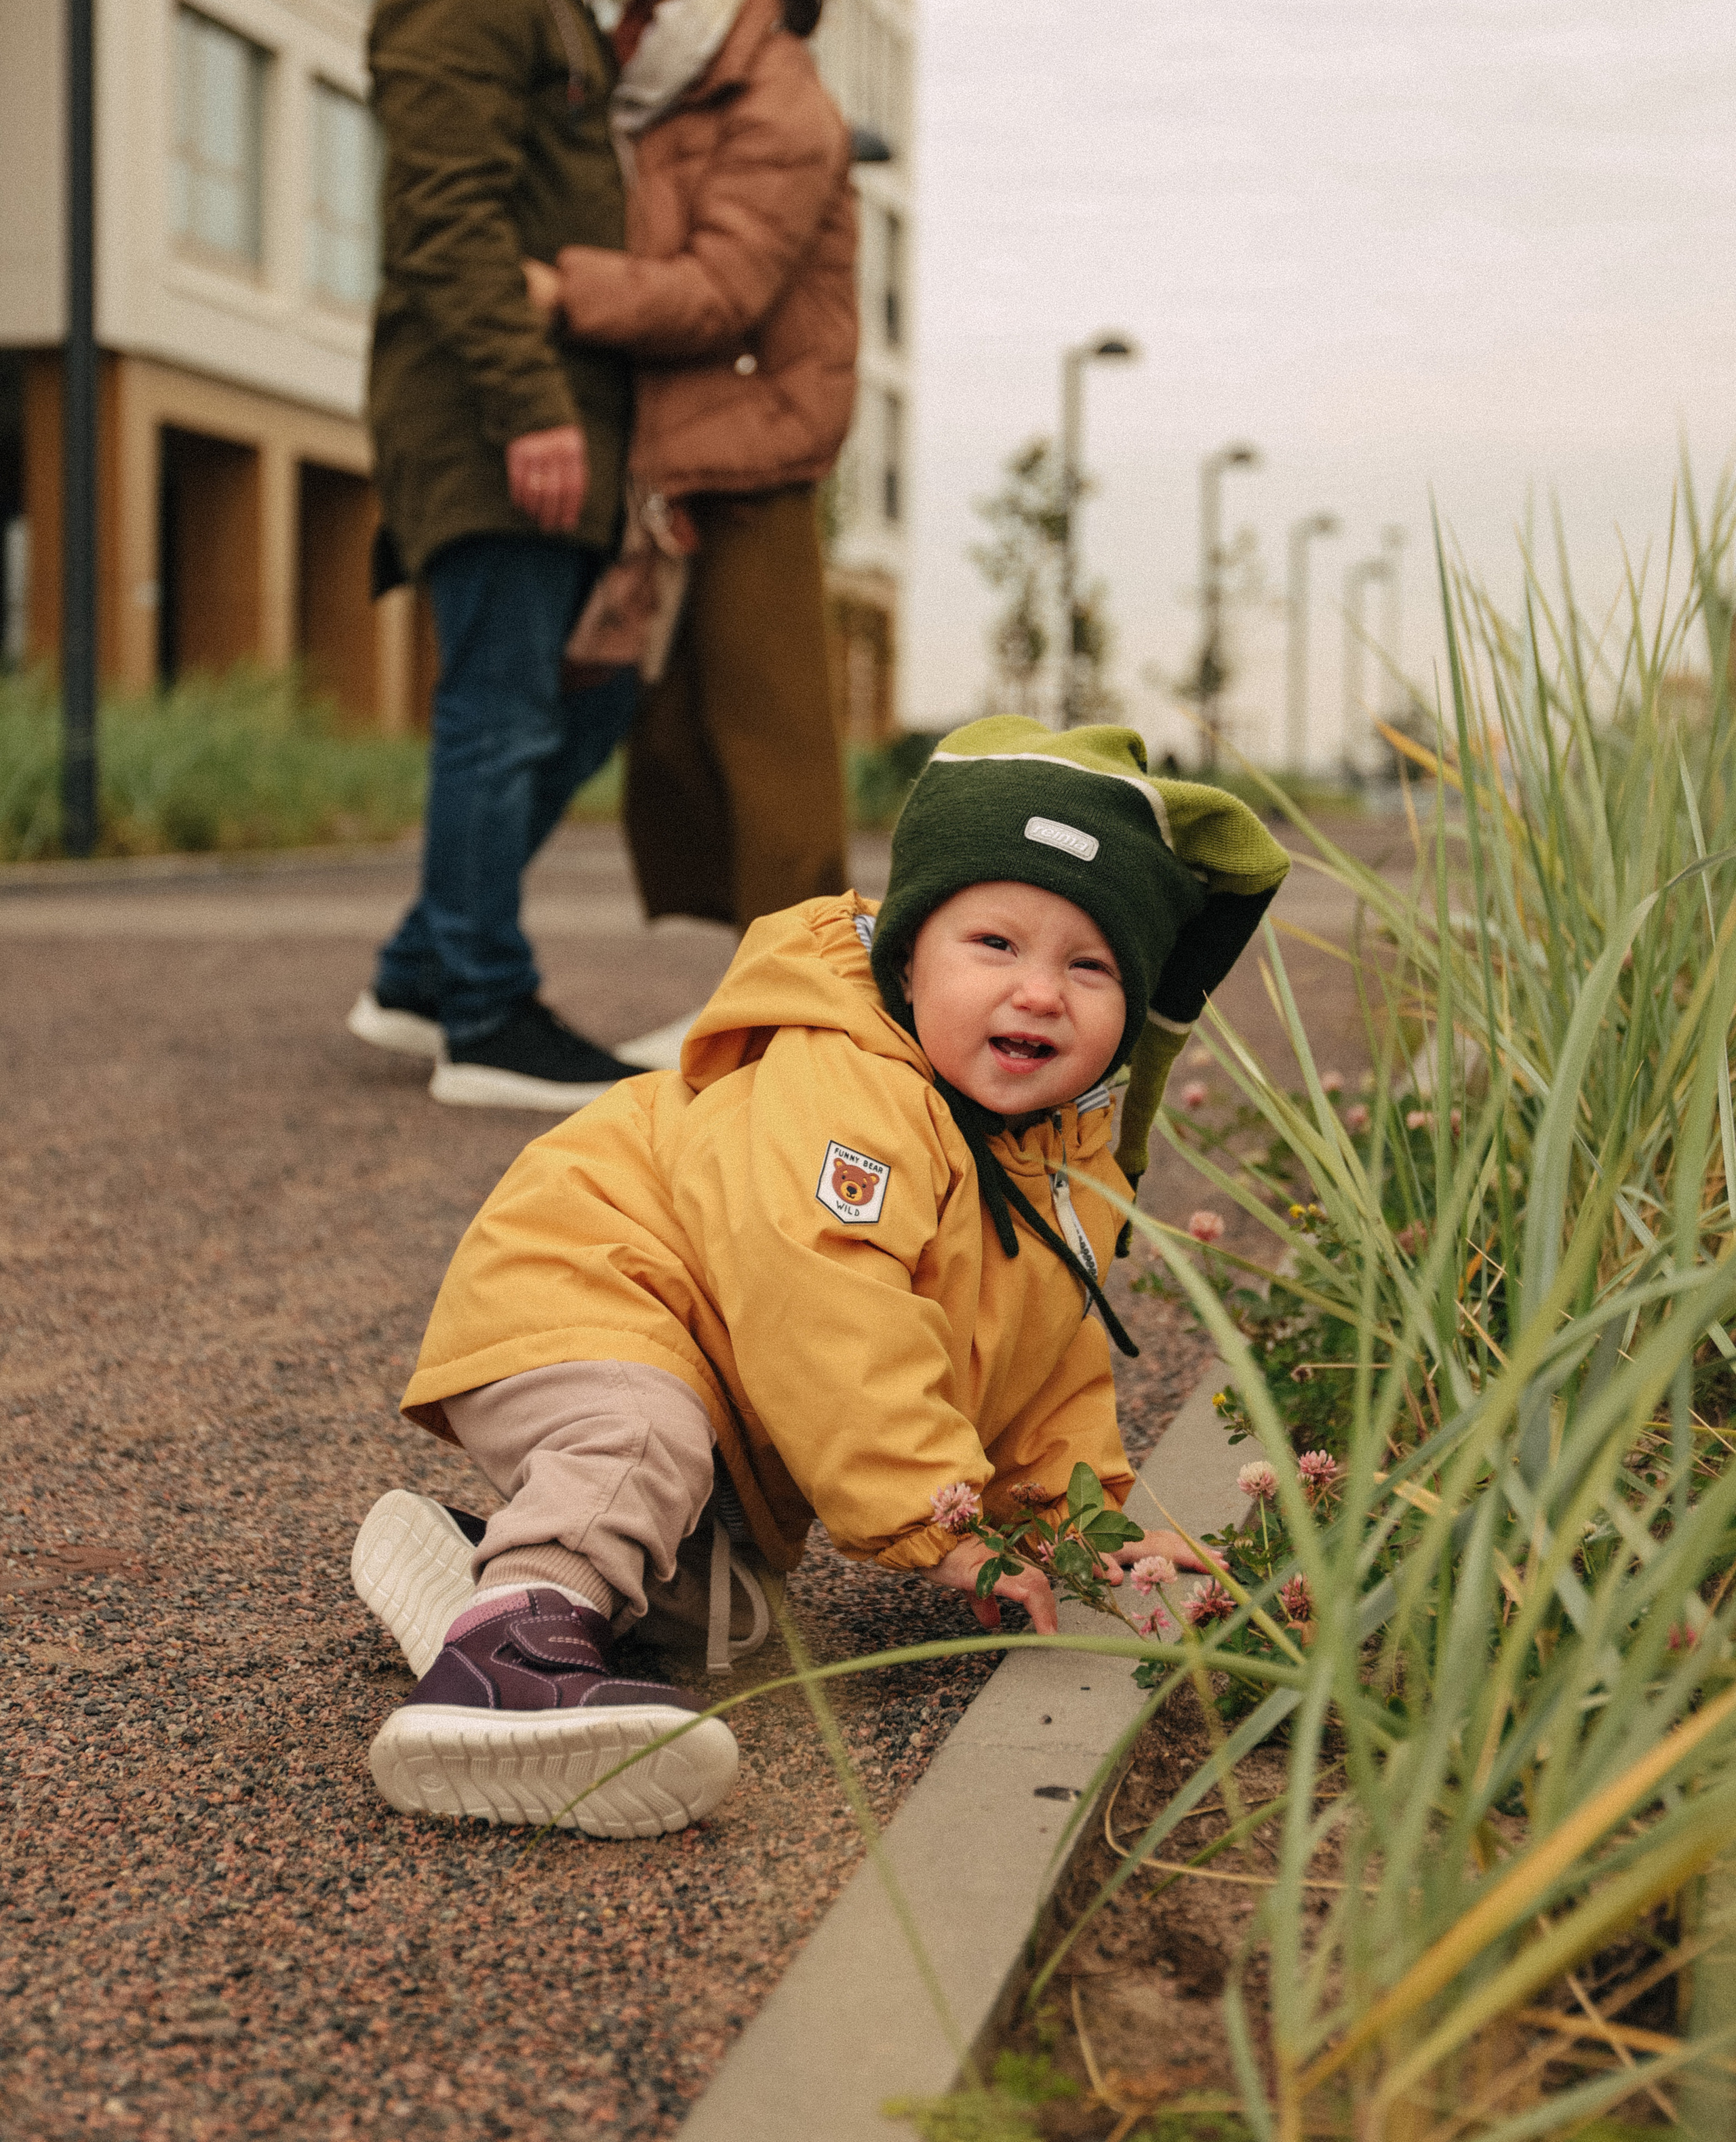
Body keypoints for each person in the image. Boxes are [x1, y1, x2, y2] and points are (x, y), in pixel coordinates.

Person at [349, 717, 1290, 1836]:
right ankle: (500, 1670)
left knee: (724, 1628)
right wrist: (935, 1521)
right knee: (637, 1444)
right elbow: (825, 1303)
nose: (1040, 993)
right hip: (596, 1281)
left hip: (724, 1373)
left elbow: (1047, 1377)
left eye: (1089, 967)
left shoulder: (1058, 1168)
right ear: (906, 956)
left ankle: (489, 1579)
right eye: (995, 945)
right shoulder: (847, 1086)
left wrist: (1083, 1531)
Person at [347, 0, 647, 1111]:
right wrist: (532, 409)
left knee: (575, 700)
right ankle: (482, 1013)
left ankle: (421, 976)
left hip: (539, 403)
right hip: (487, 406)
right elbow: (445, 215)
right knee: (504, 712)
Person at [526, 0, 857, 931]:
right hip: (674, 445)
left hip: (752, 443)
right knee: (679, 742)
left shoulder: (778, 99)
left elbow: (723, 290)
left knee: (773, 745)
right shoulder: (651, 63)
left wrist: (566, 289)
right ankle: (742, 1000)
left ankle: (803, 1019)